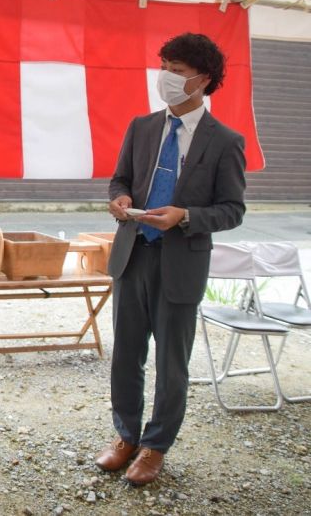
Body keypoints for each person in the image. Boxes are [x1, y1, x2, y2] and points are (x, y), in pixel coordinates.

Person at [95, 32, 246, 486]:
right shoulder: (141, 127)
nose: (166, 79)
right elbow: (119, 179)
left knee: (172, 362)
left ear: (202, 81)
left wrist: (185, 217)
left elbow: (232, 210)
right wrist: (119, 198)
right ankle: (126, 436)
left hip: (181, 262)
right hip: (133, 255)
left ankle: (155, 446)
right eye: (164, 68)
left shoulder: (225, 141)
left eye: (176, 72)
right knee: (125, 354)